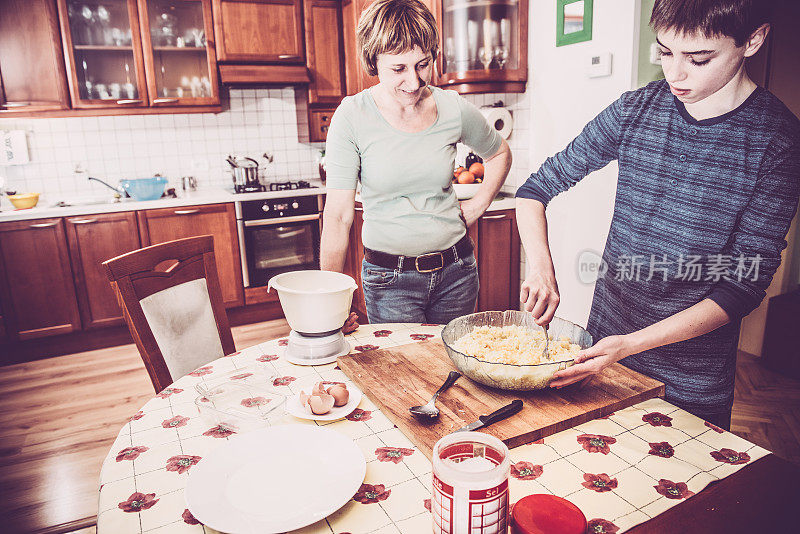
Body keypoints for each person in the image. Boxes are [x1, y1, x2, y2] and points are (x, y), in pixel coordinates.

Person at [515, 0, 799, 430]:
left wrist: (630, 344)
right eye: (665, 52)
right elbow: (535, 189)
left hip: (692, 383)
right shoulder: (637, 110)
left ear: (753, 40)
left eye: (699, 58)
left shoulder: (777, 140)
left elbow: (741, 287)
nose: (675, 74)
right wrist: (541, 268)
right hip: (602, 361)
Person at [321, 0, 512, 327]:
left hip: (457, 273)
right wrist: (329, 301)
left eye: (422, 64)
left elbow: (499, 153)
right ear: (373, 61)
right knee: (403, 376)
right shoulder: (352, 117)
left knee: (458, 371)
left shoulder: (453, 108)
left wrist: (479, 206)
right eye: (399, 69)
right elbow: (338, 217)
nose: (414, 81)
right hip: (389, 283)